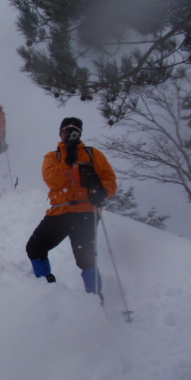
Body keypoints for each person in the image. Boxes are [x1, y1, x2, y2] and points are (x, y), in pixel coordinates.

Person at [25, 117, 117, 298]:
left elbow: (110, 181)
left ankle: (96, 299)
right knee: (35, 248)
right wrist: (68, 160)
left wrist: (102, 192)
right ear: (60, 133)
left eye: (74, 130)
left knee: (86, 259)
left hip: (86, 212)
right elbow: (52, 181)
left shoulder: (92, 154)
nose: (70, 133)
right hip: (60, 212)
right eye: (66, 130)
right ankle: (47, 290)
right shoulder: (53, 156)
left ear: (80, 133)